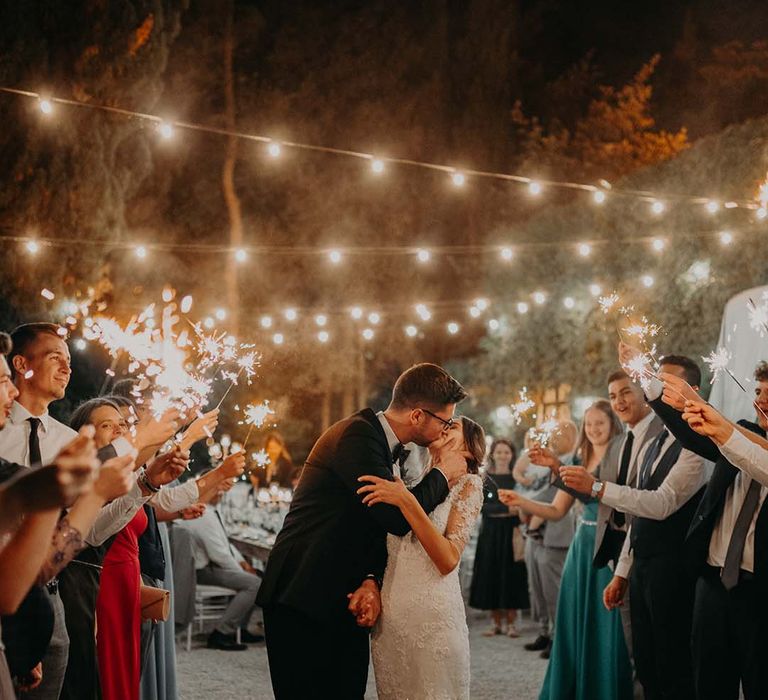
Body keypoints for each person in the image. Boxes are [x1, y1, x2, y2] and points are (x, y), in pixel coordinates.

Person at [256, 363, 470, 699]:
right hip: (302, 592)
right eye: (443, 421)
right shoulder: (357, 435)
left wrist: (371, 577)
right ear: (417, 416)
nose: (445, 431)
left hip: (343, 594)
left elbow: (371, 526)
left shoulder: (386, 446)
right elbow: (394, 519)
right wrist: (443, 473)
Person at [565, 354, 707, 700]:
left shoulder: (699, 445)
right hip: (641, 567)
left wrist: (597, 488)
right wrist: (623, 572)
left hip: (674, 571)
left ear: (694, 391)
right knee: (645, 664)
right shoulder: (653, 441)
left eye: (666, 385)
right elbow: (637, 515)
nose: (656, 391)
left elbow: (660, 504)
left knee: (674, 666)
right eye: (654, 384)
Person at [642, 357, 768, 699]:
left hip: (761, 594)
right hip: (712, 583)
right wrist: (652, 384)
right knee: (710, 683)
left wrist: (708, 412)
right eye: (758, 391)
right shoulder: (742, 431)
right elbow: (691, 433)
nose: (761, 400)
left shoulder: (740, 438)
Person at [501, 400, 631, 699]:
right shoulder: (578, 457)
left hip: (608, 546)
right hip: (581, 546)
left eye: (599, 423)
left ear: (612, 423)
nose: (594, 429)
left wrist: (558, 468)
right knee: (572, 622)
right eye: (588, 424)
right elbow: (557, 510)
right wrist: (521, 502)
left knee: (605, 624)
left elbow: (604, 501)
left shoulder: (623, 455)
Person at [358, 417, 484, 700]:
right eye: (445, 423)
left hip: (433, 620)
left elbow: (448, 560)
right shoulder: (416, 483)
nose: (444, 427)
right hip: (391, 622)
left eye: (453, 426)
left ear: (470, 447)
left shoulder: (469, 485)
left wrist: (406, 501)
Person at [178, 477, 264, 650]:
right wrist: (243, 572)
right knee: (255, 584)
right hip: (203, 570)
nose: (222, 491)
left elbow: (226, 542)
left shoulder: (212, 511)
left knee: (259, 578)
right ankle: (221, 633)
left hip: (212, 565)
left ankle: (239, 627)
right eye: (218, 487)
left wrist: (241, 561)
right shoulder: (203, 514)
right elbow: (219, 555)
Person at [521, 420, 577, 658]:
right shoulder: (549, 460)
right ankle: (545, 630)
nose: (552, 437)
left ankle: (558, 637)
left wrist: (522, 501)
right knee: (538, 588)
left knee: (554, 590)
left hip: (556, 533)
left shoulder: (570, 461)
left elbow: (551, 494)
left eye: (557, 434)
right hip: (537, 534)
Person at [469, 438, 529, 637]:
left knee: (512, 576)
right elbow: (481, 507)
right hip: (490, 534)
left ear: (512, 455)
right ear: (492, 454)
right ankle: (496, 624)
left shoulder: (517, 478)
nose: (503, 455)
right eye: (499, 452)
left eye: (507, 452)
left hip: (512, 533)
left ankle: (512, 625)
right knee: (491, 574)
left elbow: (523, 505)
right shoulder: (485, 478)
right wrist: (506, 508)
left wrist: (508, 509)